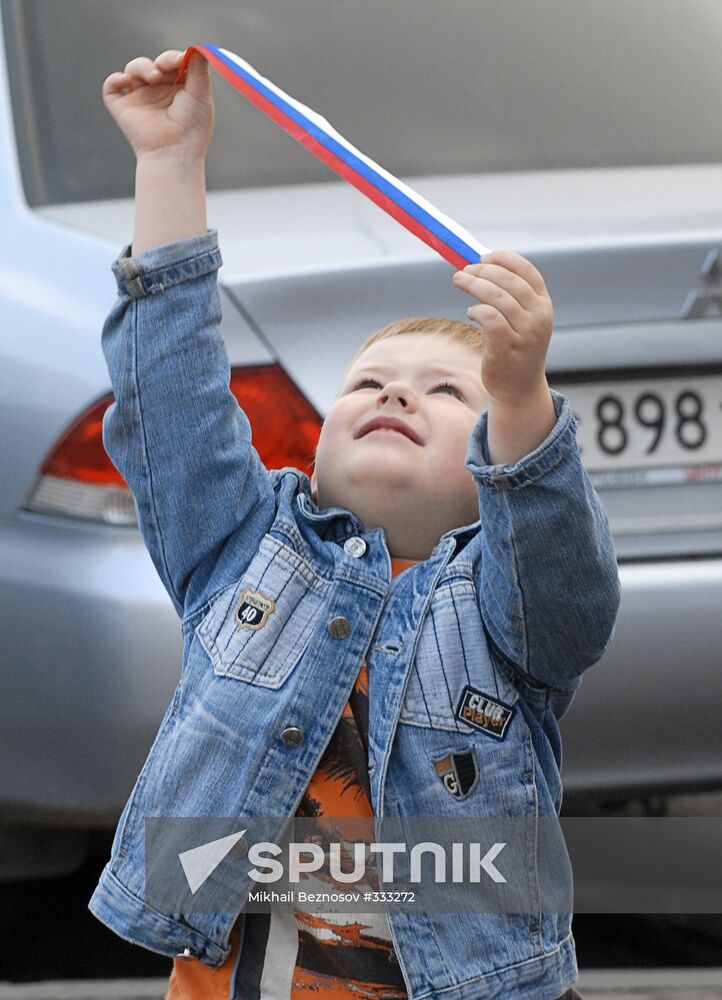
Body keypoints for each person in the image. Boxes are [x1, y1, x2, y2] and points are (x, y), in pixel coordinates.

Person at [89, 47, 618, 1000]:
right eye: (367, 383)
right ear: (320, 444)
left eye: (447, 392)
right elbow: (172, 414)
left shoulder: (503, 608)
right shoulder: (248, 555)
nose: (395, 395)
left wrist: (521, 394)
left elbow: (566, 581)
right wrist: (169, 168)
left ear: (493, 469)